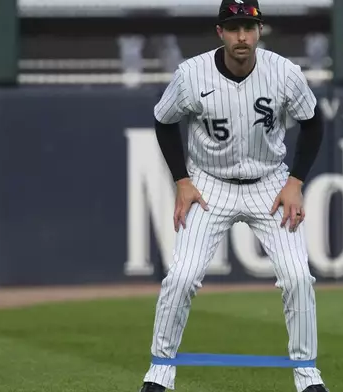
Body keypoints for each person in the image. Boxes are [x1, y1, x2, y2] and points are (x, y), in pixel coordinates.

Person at [137, 0, 328, 391]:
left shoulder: (284, 73)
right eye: (233, 27)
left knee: (297, 277)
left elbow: (313, 122)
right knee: (182, 275)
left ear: (259, 31)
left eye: (248, 27)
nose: (242, 36)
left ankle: (308, 377)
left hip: (269, 183)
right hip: (210, 184)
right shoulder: (191, 75)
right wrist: (181, 180)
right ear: (219, 31)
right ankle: (159, 373)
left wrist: (296, 181)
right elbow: (163, 119)